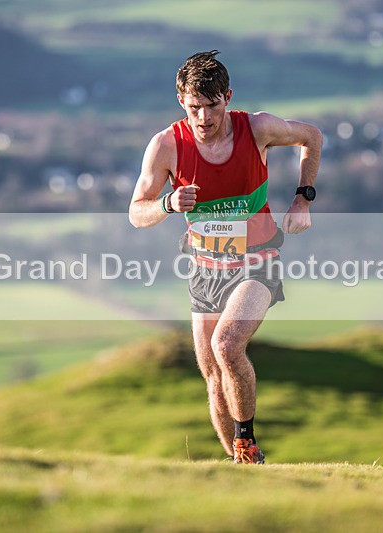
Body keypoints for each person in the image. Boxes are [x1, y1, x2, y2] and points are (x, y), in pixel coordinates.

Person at [128, 50, 322, 464]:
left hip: (258, 259)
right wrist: (168, 205)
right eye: (194, 107)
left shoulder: (258, 128)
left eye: (212, 105)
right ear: (182, 101)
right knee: (214, 379)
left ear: (228, 98)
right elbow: (136, 213)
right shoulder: (165, 146)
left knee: (227, 344)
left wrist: (303, 199)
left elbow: (312, 137)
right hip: (205, 267)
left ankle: (247, 444)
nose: (203, 117)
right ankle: (239, 465)